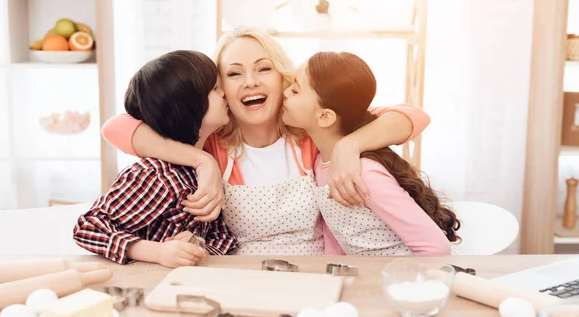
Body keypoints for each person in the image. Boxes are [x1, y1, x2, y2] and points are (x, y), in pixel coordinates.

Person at [101, 27, 431, 255]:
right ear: (220, 90)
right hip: (242, 279)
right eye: (233, 74)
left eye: (263, 69)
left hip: (317, 277)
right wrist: (200, 160)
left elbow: (413, 116)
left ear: (282, 76)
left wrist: (350, 145)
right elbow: (115, 127)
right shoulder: (212, 144)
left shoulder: (313, 133)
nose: (250, 82)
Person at [282, 51, 457, 256]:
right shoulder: (320, 162)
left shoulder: (365, 174)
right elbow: (336, 234)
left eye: (295, 90)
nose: (285, 92)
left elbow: (436, 248)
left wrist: (398, 283)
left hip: (400, 280)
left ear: (325, 116)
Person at [73, 50, 238, 266]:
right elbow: (88, 228)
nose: (224, 93)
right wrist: (157, 252)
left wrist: (197, 248)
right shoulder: (156, 175)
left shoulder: (203, 175)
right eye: (215, 89)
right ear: (188, 106)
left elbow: (224, 240)